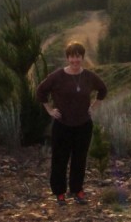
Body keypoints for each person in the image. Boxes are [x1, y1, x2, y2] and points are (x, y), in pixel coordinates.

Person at [35, 40, 108, 205]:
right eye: (72, 57)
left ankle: (77, 190)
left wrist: (94, 106)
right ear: (68, 58)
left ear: (82, 57)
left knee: (79, 159)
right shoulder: (58, 76)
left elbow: (103, 89)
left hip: (83, 124)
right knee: (59, 159)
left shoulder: (89, 76)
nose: (75, 61)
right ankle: (59, 193)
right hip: (62, 125)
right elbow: (41, 91)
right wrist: (49, 109)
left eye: (78, 57)